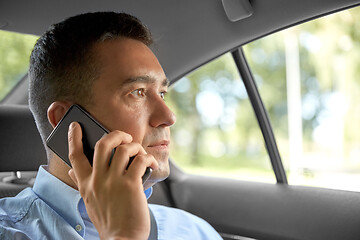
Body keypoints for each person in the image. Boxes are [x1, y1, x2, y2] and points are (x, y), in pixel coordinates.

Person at [0, 12, 222, 239]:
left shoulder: (195, 230)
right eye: (138, 93)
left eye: (162, 94)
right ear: (67, 122)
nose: (169, 116)